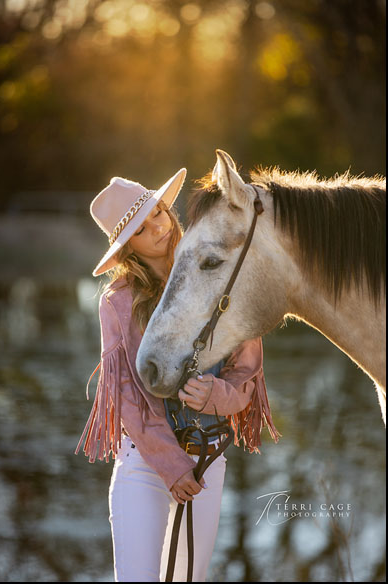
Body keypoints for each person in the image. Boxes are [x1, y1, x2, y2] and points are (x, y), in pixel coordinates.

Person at [75, 168, 281, 582]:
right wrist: (171, 466)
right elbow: (128, 399)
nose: (159, 229)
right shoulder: (118, 302)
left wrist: (217, 395)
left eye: (159, 214)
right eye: (141, 229)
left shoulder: (216, 271)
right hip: (144, 466)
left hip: (207, 460)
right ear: (127, 246)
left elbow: (248, 367)